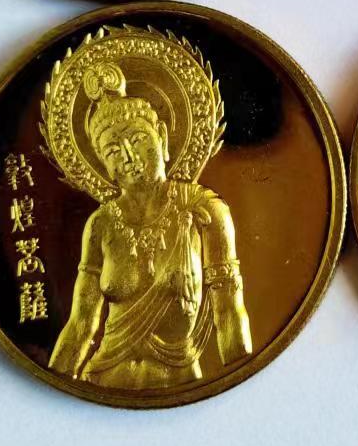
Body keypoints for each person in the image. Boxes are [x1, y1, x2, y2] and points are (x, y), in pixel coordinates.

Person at [49, 61, 252, 387]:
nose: (129, 156)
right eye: (113, 150)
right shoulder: (101, 224)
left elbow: (228, 312)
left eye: (138, 138)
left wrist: (243, 381)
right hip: (104, 380)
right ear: (104, 165)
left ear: (162, 138)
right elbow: (80, 325)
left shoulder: (203, 211)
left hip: (180, 382)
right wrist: (52, 384)